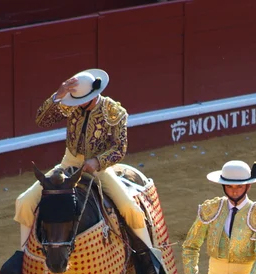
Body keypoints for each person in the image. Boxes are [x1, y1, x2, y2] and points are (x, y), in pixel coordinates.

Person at [14, 68, 155, 253]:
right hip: (68, 163)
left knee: (130, 208)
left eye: (81, 101)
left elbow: (119, 148)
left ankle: (150, 258)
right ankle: (23, 255)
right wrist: (59, 94)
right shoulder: (71, 103)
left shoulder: (114, 111)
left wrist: (97, 162)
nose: (76, 104)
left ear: (94, 95)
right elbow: (42, 120)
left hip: (98, 170)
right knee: (23, 202)